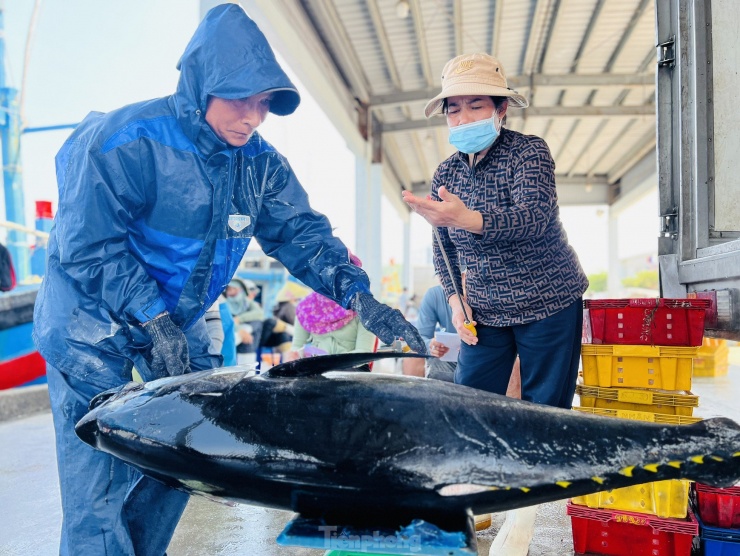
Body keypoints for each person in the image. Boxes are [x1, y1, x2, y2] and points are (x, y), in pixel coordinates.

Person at [32, 5, 424, 555]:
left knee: (181, 459)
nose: (252, 117)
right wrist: (151, 314)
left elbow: (303, 235)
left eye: (263, 104)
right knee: (99, 484)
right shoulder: (124, 140)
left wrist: (362, 297)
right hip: (90, 329)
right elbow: (85, 247)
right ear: (199, 86)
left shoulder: (260, 165)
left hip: (176, 324)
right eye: (240, 99)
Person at [402, 52, 588, 556]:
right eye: (453, 109)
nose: (462, 119)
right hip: (483, 310)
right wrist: (457, 301)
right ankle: (472, 502)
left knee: (544, 415)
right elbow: (443, 248)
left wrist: (469, 219)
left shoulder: (529, 153)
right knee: (470, 408)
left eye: (475, 105)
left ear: (501, 108)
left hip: (548, 298)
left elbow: (534, 218)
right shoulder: (447, 170)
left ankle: (521, 527)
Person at [287, 253, 377, 360]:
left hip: (351, 373)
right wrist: (301, 353)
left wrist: (326, 360)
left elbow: (364, 354)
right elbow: (296, 351)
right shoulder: (305, 309)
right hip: (314, 372)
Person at [226, 278, 264, 365]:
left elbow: (259, 313)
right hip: (231, 335)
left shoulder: (246, 302)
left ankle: (248, 372)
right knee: (246, 338)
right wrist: (240, 330)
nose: (231, 291)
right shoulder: (224, 303)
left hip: (246, 337)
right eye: (229, 289)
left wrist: (239, 319)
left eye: (234, 289)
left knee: (257, 323)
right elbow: (226, 320)